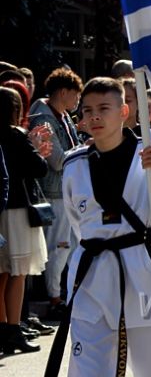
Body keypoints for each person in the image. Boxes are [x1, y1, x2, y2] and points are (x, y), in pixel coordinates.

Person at [50, 77, 151, 377]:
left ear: (124, 111)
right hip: (92, 274)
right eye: (88, 110)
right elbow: (77, 223)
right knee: (88, 373)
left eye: (103, 108)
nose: (95, 116)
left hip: (141, 269)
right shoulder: (74, 163)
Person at [28, 68, 83, 320]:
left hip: (67, 192)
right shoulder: (43, 120)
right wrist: (85, 149)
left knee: (71, 247)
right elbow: (57, 161)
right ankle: (55, 299)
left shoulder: (63, 116)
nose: (78, 100)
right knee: (58, 247)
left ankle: (69, 294)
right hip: (54, 193)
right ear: (63, 92)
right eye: (76, 94)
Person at [0, 86, 50, 354]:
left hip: (0, 209)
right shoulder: (17, 135)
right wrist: (38, 149)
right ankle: (13, 329)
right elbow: (38, 168)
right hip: (18, 210)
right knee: (18, 273)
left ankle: (4, 329)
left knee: (1, 273)